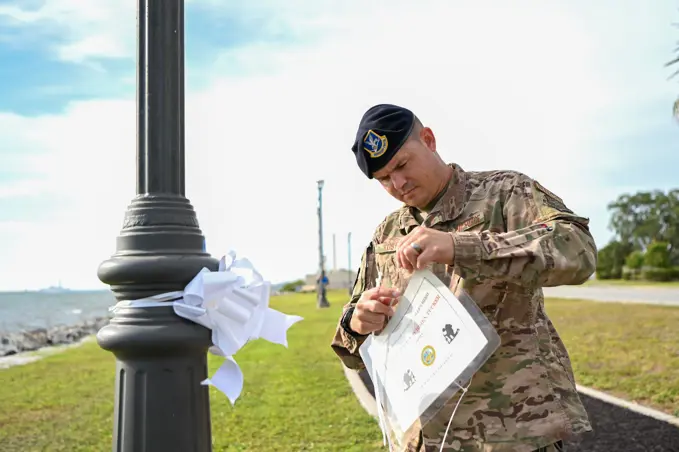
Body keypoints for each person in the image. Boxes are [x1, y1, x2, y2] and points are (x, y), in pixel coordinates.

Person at [330, 103, 597, 452]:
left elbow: (578, 250)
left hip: (514, 431)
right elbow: (350, 341)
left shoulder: (503, 192)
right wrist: (358, 322)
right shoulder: (387, 234)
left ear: (429, 140)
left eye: (402, 164)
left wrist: (462, 247)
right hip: (427, 439)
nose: (398, 183)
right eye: (383, 179)